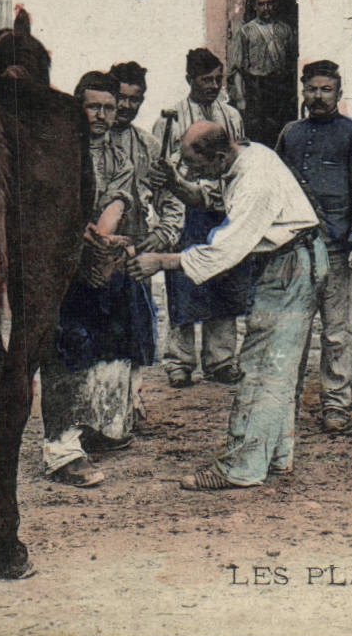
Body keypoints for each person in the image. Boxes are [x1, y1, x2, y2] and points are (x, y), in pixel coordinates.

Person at [128, 121, 325, 490]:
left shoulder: (255, 181)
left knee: (262, 366)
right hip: (289, 261)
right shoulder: (240, 158)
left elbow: (224, 250)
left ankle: (240, 468)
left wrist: (161, 260)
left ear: (219, 155)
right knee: (279, 370)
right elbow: (211, 197)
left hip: (291, 265)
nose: (190, 170)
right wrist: (175, 183)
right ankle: (275, 457)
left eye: (193, 164)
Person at [41, 72, 158, 487]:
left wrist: (101, 244)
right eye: (94, 107)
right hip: (55, 262)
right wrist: (83, 239)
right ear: (78, 106)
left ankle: (98, 427)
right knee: (62, 347)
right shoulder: (57, 151)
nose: (103, 115)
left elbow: (115, 202)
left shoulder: (118, 158)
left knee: (108, 337)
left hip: (95, 258)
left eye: (109, 108)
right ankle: (59, 447)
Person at [275, 60, 352, 432]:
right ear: (303, 91)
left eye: (326, 90)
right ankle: (287, 400)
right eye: (312, 89)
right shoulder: (291, 133)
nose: (318, 97)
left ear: (338, 92)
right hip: (299, 249)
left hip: (338, 249)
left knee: (337, 332)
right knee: (293, 329)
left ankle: (336, 403)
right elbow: (277, 189)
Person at [151, 48, 247, 388]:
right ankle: (179, 361)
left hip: (221, 208)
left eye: (217, 80)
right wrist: (168, 209)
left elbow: (239, 159)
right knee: (184, 282)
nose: (213, 86)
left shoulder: (231, 115)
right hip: (185, 209)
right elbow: (160, 168)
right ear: (190, 79)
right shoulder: (171, 118)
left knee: (224, 278)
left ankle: (220, 359)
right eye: (206, 80)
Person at [105, 61, 186, 431]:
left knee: (135, 330)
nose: (126, 107)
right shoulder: (85, 141)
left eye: (134, 100)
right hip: (93, 254)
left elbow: (172, 201)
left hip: (135, 253)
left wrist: (164, 235)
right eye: (120, 98)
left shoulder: (149, 145)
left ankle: (131, 401)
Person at [226, 0, 296, 151]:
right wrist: (240, 97)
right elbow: (236, 68)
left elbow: (292, 62)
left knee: (280, 127)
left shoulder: (285, 30)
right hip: (256, 87)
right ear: (255, 6)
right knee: (258, 129)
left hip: (279, 86)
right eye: (262, 4)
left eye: (269, 4)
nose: (266, 8)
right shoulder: (246, 31)